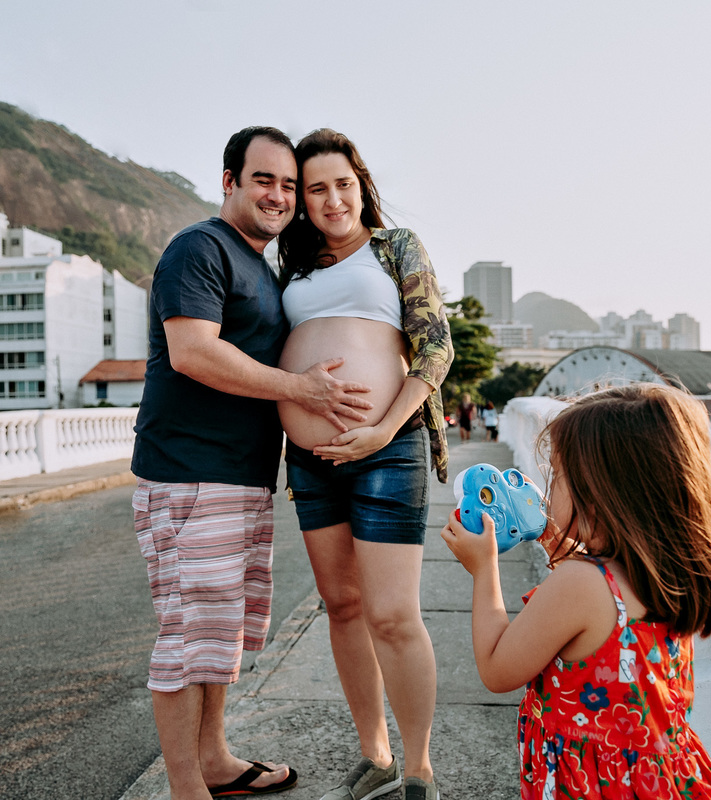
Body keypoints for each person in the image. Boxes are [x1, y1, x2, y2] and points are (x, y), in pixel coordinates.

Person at [131, 126, 376, 800]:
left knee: (221, 630)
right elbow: (193, 352)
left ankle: (213, 760)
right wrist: (303, 389)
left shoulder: (259, 267)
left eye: (288, 185)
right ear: (229, 181)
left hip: (240, 476)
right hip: (187, 473)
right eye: (263, 179)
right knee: (187, 634)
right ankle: (187, 787)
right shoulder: (199, 248)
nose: (278, 194)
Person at [441, 383, 711, 799]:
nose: (546, 489)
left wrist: (484, 570)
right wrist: (560, 546)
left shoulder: (580, 585)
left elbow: (498, 669)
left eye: (557, 474)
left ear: (599, 493)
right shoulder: (667, 572)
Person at [277, 128, 453, 800]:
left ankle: (417, 770)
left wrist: (380, 430)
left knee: (392, 614)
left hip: (389, 447)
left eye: (341, 183)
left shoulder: (395, 247)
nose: (331, 199)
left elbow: (435, 350)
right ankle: (374, 755)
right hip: (312, 458)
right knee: (342, 606)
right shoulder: (293, 266)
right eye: (316, 188)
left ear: (361, 183)